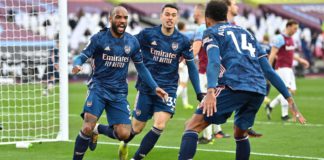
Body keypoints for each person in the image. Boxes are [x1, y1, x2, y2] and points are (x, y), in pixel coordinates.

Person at [178, 1, 306, 160]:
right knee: (240, 132)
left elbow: (214, 62)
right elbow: (268, 70)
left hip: (233, 85)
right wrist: (289, 99)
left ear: (207, 18)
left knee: (192, 126)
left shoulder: (211, 32)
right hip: (258, 90)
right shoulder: (247, 33)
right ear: (226, 16)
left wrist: (210, 91)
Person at [71, 6, 168, 160]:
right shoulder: (99, 38)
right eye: (118, 17)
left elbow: (141, 68)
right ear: (110, 19)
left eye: (125, 18)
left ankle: (98, 130)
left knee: (124, 134)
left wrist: (155, 87)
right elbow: (82, 56)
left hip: (119, 93)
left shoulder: (132, 41)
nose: (122, 21)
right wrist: (77, 64)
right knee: (87, 125)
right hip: (99, 88)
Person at [119, 4, 203, 160]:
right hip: (146, 87)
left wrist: (199, 92)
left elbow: (192, 67)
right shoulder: (147, 35)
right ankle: (114, 138)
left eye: (173, 15)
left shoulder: (183, 41)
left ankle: (136, 158)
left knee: (159, 125)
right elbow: (128, 45)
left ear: (177, 18)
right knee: (136, 128)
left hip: (168, 89)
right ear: (161, 16)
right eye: (167, 14)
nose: (170, 18)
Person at [192, 3, 230, 145]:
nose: (194, 14)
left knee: (204, 102)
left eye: (195, 11)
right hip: (219, 72)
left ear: (202, 13)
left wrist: (182, 61)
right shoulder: (221, 28)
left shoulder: (202, 28)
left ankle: (207, 136)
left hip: (205, 71)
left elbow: (195, 50)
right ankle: (217, 130)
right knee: (215, 99)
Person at [265, 20, 309, 121]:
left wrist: (301, 60)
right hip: (281, 68)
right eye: (294, 28)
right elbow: (272, 54)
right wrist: (268, 70)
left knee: (292, 91)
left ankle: (270, 106)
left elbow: (291, 54)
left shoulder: (291, 39)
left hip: (289, 68)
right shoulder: (279, 38)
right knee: (287, 91)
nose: (295, 31)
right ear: (288, 26)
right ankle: (284, 115)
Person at [176, 22, 194, 109]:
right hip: (183, 62)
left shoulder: (176, 35)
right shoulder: (186, 36)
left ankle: (185, 103)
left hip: (177, 62)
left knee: (184, 84)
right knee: (183, 84)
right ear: (183, 26)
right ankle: (172, 99)